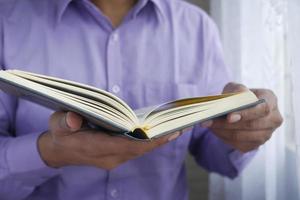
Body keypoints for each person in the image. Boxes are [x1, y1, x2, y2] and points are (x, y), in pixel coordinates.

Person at [0, 0, 283, 199]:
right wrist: (49, 153)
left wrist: (246, 128)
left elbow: (216, 155)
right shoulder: (6, 21)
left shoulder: (196, 27)